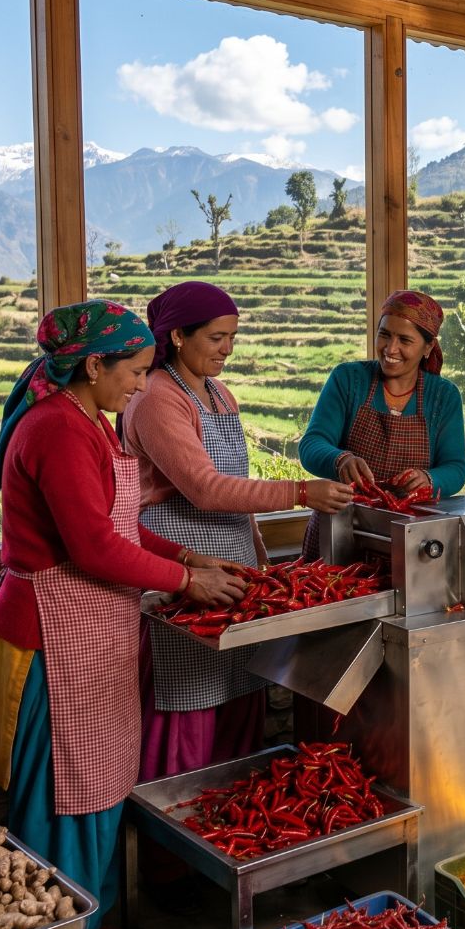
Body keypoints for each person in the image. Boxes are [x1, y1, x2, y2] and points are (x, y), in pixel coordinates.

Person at [0, 300, 246, 929]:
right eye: (137, 371)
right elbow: (92, 547)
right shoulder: (57, 429)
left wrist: (182, 552)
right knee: (64, 792)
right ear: (94, 364)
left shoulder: (91, 419)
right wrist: (185, 581)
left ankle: (95, 921)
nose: (143, 385)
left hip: (90, 632)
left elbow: (118, 523)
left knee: (96, 785)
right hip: (49, 638)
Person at [120, 282, 353, 781]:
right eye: (217, 337)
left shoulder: (220, 394)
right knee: (186, 703)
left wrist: (261, 558)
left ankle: (221, 833)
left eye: (233, 337)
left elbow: (235, 492)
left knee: (235, 702)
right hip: (183, 570)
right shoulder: (158, 398)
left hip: (233, 571)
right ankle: (175, 840)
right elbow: (205, 488)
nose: (228, 349)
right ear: (178, 335)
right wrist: (300, 493)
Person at [298, 290, 465, 556]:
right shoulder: (348, 379)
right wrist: (340, 459)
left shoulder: (444, 396)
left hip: (410, 538)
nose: (390, 349)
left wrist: (429, 478)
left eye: (405, 340)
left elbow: (456, 468)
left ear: (428, 347)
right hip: (339, 529)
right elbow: (311, 444)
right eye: (385, 334)